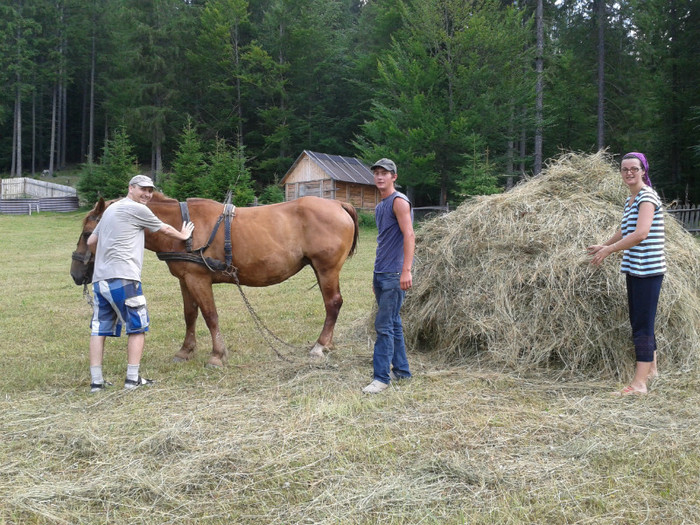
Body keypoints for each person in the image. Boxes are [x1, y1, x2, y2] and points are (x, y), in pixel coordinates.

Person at [87, 175, 194, 392]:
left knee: (99, 330)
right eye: (142, 190)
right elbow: (163, 229)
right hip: (125, 278)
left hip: (100, 281)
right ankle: (132, 379)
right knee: (137, 328)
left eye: (150, 190)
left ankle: (96, 382)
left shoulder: (109, 211)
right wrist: (183, 234)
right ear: (131, 188)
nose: (147, 194)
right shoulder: (137, 209)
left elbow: (91, 241)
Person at [588, 152, 666, 395]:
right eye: (624, 169)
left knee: (642, 324)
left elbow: (641, 233)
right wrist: (605, 245)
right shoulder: (631, 199)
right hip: (635, 267)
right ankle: (651, 370)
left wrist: (610, 251)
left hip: (648, 270)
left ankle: (639, 384)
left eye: (634, 168)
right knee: (640, 320)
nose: (629, 173)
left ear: (644, 170)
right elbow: (626, 230)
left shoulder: (647, 197)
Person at [362, 158, 416, 394]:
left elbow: (410, 235)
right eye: (376, 173)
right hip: (381, 274)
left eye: (385, 173)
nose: (380, 177)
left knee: (383, 325)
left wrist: (406, 270)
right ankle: (402, 371)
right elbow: (383, 242)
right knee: (393, 323)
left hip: (394, 274)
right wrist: (375, 276)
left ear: (394, 176)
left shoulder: (399, 202)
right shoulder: (380, 206)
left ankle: (381, 377)